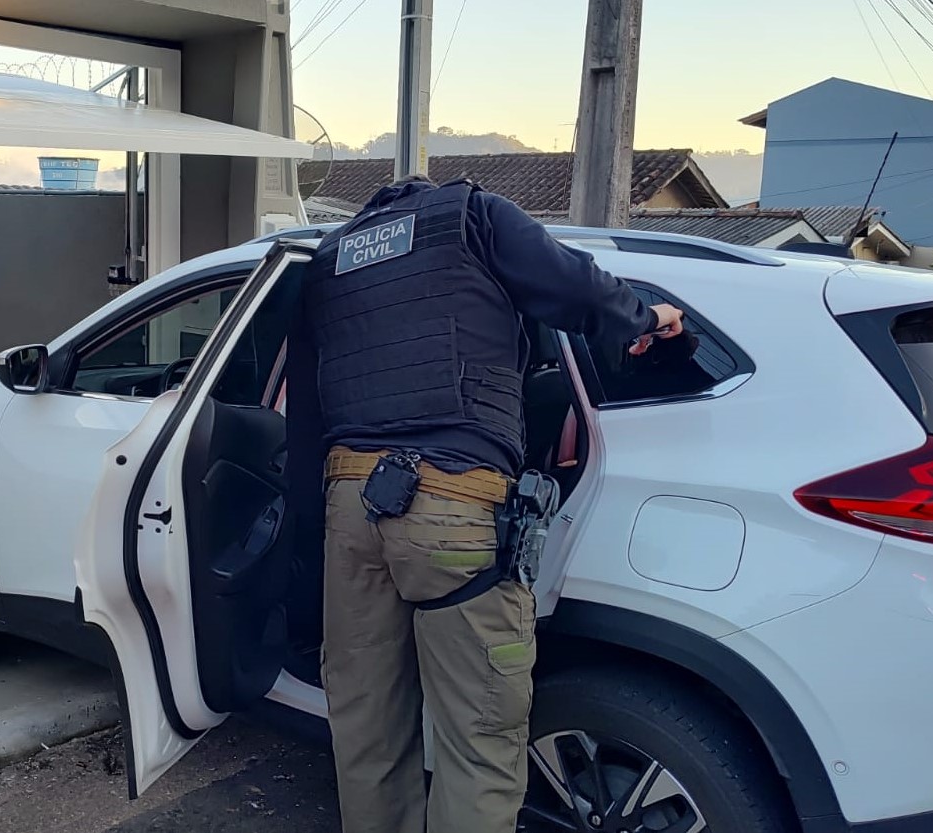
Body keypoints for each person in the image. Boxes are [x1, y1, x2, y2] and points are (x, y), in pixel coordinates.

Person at [284, 174, 684, 833]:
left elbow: (306, 410)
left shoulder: (333, 256)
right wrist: (646, 317)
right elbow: (576, 288)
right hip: (453, 503)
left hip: (350, 505)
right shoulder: (472, 217)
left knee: (366, 730)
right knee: (478, 742)